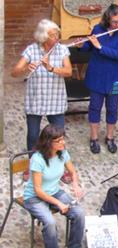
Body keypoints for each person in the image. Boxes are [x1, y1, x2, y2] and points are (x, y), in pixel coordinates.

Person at [23, 124, 88, 248]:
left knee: (79, 213)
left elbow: (73, 172)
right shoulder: (37, 159)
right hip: (34, 197)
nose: (62, 142)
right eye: (58, 140)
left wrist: (75, 185)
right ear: (48, 142)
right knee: (50, 223)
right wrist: (58, 203)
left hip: (54, 191)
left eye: (63, 139)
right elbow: (38, 190)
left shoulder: (63, 153)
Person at [11, 19, 72, 152]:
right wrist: (27, 67)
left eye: (57, 34)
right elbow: (14, 73)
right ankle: (33, 164)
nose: (57, 37)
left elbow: (68, 71)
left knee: (58, 136)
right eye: (52, 35)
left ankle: (57, 164)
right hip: (36, 100)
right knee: (33, 136)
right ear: (43, 37)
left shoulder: (62, 50)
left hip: (56, 100)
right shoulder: (31, 50)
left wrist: (50, 68)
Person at [80, 4, 118, 154]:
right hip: (97, 74)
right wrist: (83, 44)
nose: (117, 24)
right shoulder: (98, 29)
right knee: (95, 107)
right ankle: (94, 138)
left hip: (114, 76)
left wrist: (100, 47)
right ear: (108, 19)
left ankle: (110, 137)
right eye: (114, 21)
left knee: (112, 108)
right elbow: (88, 48)